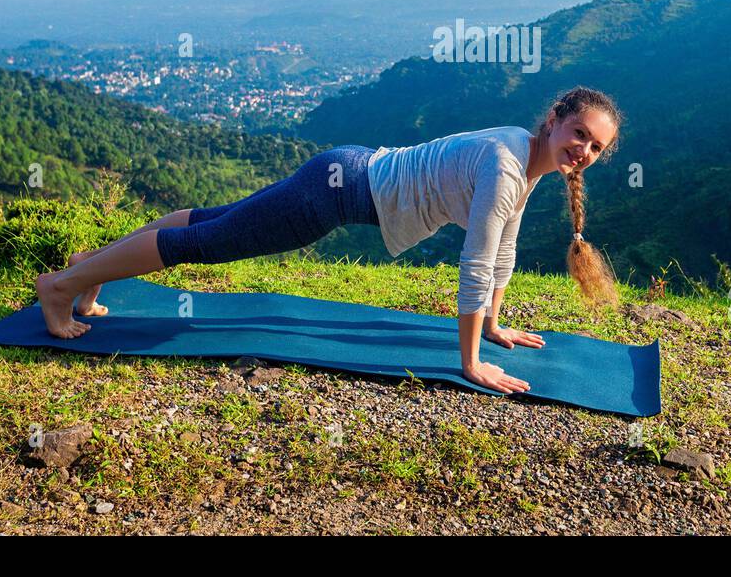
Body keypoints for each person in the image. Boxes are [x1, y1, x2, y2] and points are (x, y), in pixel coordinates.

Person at [35, 86, 622, 395]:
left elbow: (503, 250)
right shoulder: (506, 165)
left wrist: (494, 325)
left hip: (344, 170)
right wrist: (470, 362)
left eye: (596, 147)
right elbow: (475, 263)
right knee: (206, 242)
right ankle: (62, 286)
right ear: (554, 121)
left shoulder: (523, 156)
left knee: (211, 219)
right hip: (334, 195)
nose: (584, 151)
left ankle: (91, 267)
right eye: (579, 134)